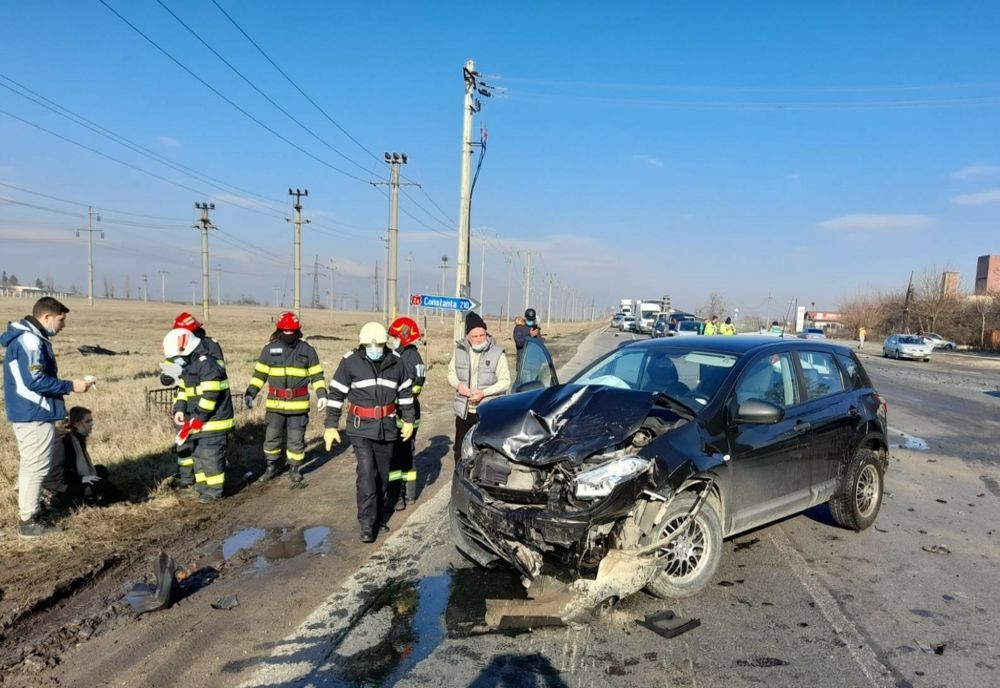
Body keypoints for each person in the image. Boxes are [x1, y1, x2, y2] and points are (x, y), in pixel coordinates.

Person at [2, 297, 94, 537]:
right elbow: (36, 380)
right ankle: (29, 522)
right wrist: (71, 385)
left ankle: (30, 511)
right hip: (33, 412)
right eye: (61, 319)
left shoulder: (26, 338)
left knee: (31, 465)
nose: (63, 325)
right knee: (36, 467)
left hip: (27, 411)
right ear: (47, 317)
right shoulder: (31, 340)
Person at [323, 322, 415, 543]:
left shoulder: (397, 362)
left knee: (383, 476)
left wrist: (409, 420)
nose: (374, 349)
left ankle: (380, 517)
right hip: (359, 428)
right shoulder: (350, 362)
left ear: (385, 343)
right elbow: (336, 394)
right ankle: (366, 523)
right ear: (362, 344)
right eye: (370, 345)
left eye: (379, 345)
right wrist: (330, 425)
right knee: (366, 473)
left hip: (387, 428)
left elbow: (406, 394)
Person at [244, 311, 327, 484]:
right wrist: (251, 392)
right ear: (279, 330)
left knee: (296, 438)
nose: (288, 334)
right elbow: (260, 374)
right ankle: (271, 467)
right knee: (272, 437)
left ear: (298, 331)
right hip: (275, 405)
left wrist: (322, 395)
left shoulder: (307, 350)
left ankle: (294, 468)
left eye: (292, 331)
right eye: (285, 331)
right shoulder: (269, 349)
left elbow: (317, 376)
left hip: (298, 405)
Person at [164, 327, 234, 503]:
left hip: (213, 421)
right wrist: (179, 409)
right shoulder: (188, 366)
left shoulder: (206, 363)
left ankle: (214, 491)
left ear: (185, 348)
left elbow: (211, 394)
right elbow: (183, 390)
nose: (175, 361)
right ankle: (202, 488)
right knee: (198, 455)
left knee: (210, 456)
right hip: (198, 420)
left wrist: (199, 417)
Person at [449, 311, 511, 462]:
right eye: (475, 337)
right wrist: (459, 385)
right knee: (461, 453)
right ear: (468, 337)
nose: (479, 339)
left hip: (487, 411)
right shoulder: (460, 350)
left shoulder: (498, 353)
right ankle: (462, 482)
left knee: (486, 454)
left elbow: (506, 381)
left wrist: (484, 393)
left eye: (482, 335)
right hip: (464, 412)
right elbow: (451, 373)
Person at [43, 406, 122, 507]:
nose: (92, 424)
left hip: (71, 478)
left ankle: (91, 497)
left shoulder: (77, 437)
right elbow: (56, 472)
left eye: (91, 421)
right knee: (102, 484)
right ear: (76, 423)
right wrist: (80, 479)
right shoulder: (64, 442)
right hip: (60, 486)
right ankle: (122, 500)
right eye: (88, 421)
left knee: (101, 470)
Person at [387, 317, 426, 511]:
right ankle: (408, 494)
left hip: (404, 412)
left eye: (394, 336)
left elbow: (414, 389)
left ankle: (399, 495)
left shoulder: (407, 358)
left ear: (403, 336)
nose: (391, 339)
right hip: (408, 411)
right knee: (406, 452)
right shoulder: (411, 356)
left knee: (397, 454)